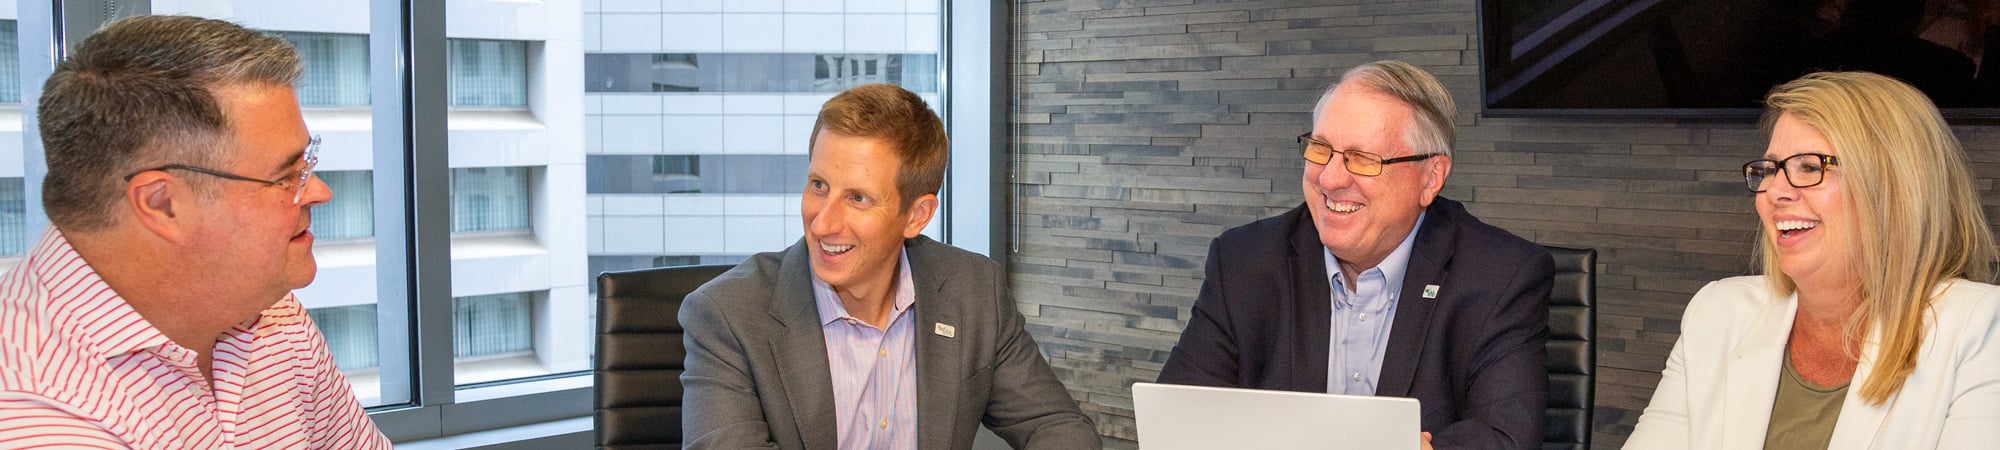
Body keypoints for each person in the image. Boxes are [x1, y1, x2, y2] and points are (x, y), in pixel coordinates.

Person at [0, 15, 390, 448]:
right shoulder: (33, 407)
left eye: (308, 165)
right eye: (285, 177)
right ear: (162, 204)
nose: (319, 192)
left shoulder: (264, 311)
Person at [1157, 60, 1552, 450]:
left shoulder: (1501, 275)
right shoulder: (1244, 260)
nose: (1329, 179)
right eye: (1320, 149)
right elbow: (1178, 417)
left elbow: (1508, 437)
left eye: (1363, 159)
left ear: (1430, 178)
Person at [679, 84, 1100, 450]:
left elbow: (1058, 426)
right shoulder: (727, 315)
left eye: (858, 198)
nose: (823, 223)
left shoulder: (972, 291)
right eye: (819, 185)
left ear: (917, 215)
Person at [1624, 72, 2000, 449]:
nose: (1775, 192)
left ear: (1895, 186)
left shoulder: (1981, 328)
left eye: (1810, 167)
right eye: (1770, 169)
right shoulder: (1718, 312)